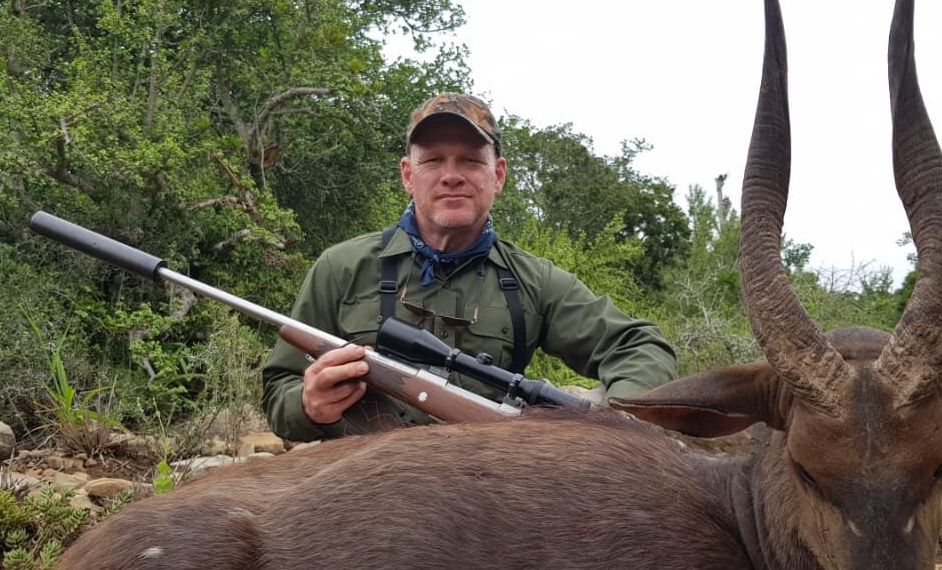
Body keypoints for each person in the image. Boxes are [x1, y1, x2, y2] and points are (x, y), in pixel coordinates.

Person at [261, 92, 678, 441]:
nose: (451, 176)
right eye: (433, 161)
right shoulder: (342, 267)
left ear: (497, 175)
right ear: (408, 175)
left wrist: (619, 430)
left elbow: (639, 346)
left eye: (470, 161)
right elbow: (279, 393)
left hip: (484, 499)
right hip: (364, 497)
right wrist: (309, 405)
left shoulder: (534, 281)